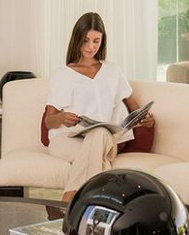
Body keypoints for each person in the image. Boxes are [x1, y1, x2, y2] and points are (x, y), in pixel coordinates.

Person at [44, 12, 154, 203]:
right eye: (86, 40)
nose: (91, 47)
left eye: (96, 41)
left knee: (100, 133)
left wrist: (145, 118)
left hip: (104, 138)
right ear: (77, 39)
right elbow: (49, 121)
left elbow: (135, 108)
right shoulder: (63, 74)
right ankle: (95, 205)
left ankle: (68, 202)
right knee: (100, 157)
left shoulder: (112, 70)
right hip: (67, 139)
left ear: (103, 41)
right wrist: (62, 118)